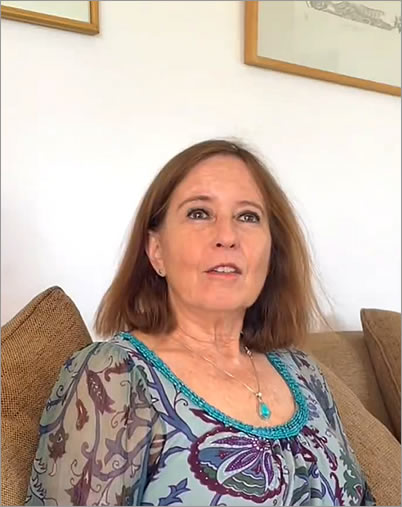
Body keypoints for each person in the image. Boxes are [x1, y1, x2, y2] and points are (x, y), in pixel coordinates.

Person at [24, 139, 375, 506]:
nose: (227, 236)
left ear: (272, 251)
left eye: (248, 216)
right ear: (156, 251)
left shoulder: (303, 372)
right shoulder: (114, 376)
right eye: (199, 213)